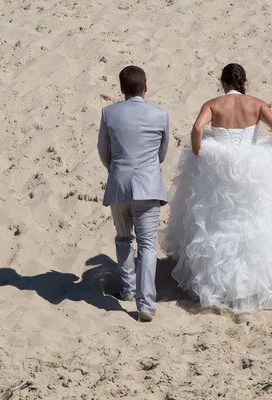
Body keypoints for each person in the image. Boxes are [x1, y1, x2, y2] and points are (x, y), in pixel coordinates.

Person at [160, 63, 272, 314]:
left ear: (222, 83)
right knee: (254, 222)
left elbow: (197, 128)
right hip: (252, 170)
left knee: (217, 224)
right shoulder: (256, 104)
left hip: (219, 170)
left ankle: (216, 286)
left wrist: (199, 151)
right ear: (244, 83)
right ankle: (253, 287)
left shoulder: (212, 104)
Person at [97, 65, 169, 322]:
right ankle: (146, 305)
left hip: (119, 184)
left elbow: (103, 151)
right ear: (145, 87)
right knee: (147, 246)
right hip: (148, 185)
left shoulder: (109, 113)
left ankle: (128, 290)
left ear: (121, 88)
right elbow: (162, 153)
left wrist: (116, 170)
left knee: (123, 238)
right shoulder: (161, 115)